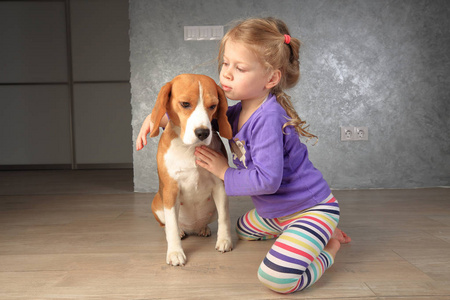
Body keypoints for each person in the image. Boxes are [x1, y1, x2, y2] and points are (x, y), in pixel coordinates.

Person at [136, 17, 350, 294]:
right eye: (225, 63)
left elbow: (268, 182)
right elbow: (201, 122)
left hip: (309, 207)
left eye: (239, 68)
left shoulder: (270, 119)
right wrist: (157, 119)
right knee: (242, 229)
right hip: (276, 212)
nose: (226, 74)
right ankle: (299, 232)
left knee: (278, 279)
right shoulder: (235, 114)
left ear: (271, 78)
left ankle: (328, 244)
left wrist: (224, 171)